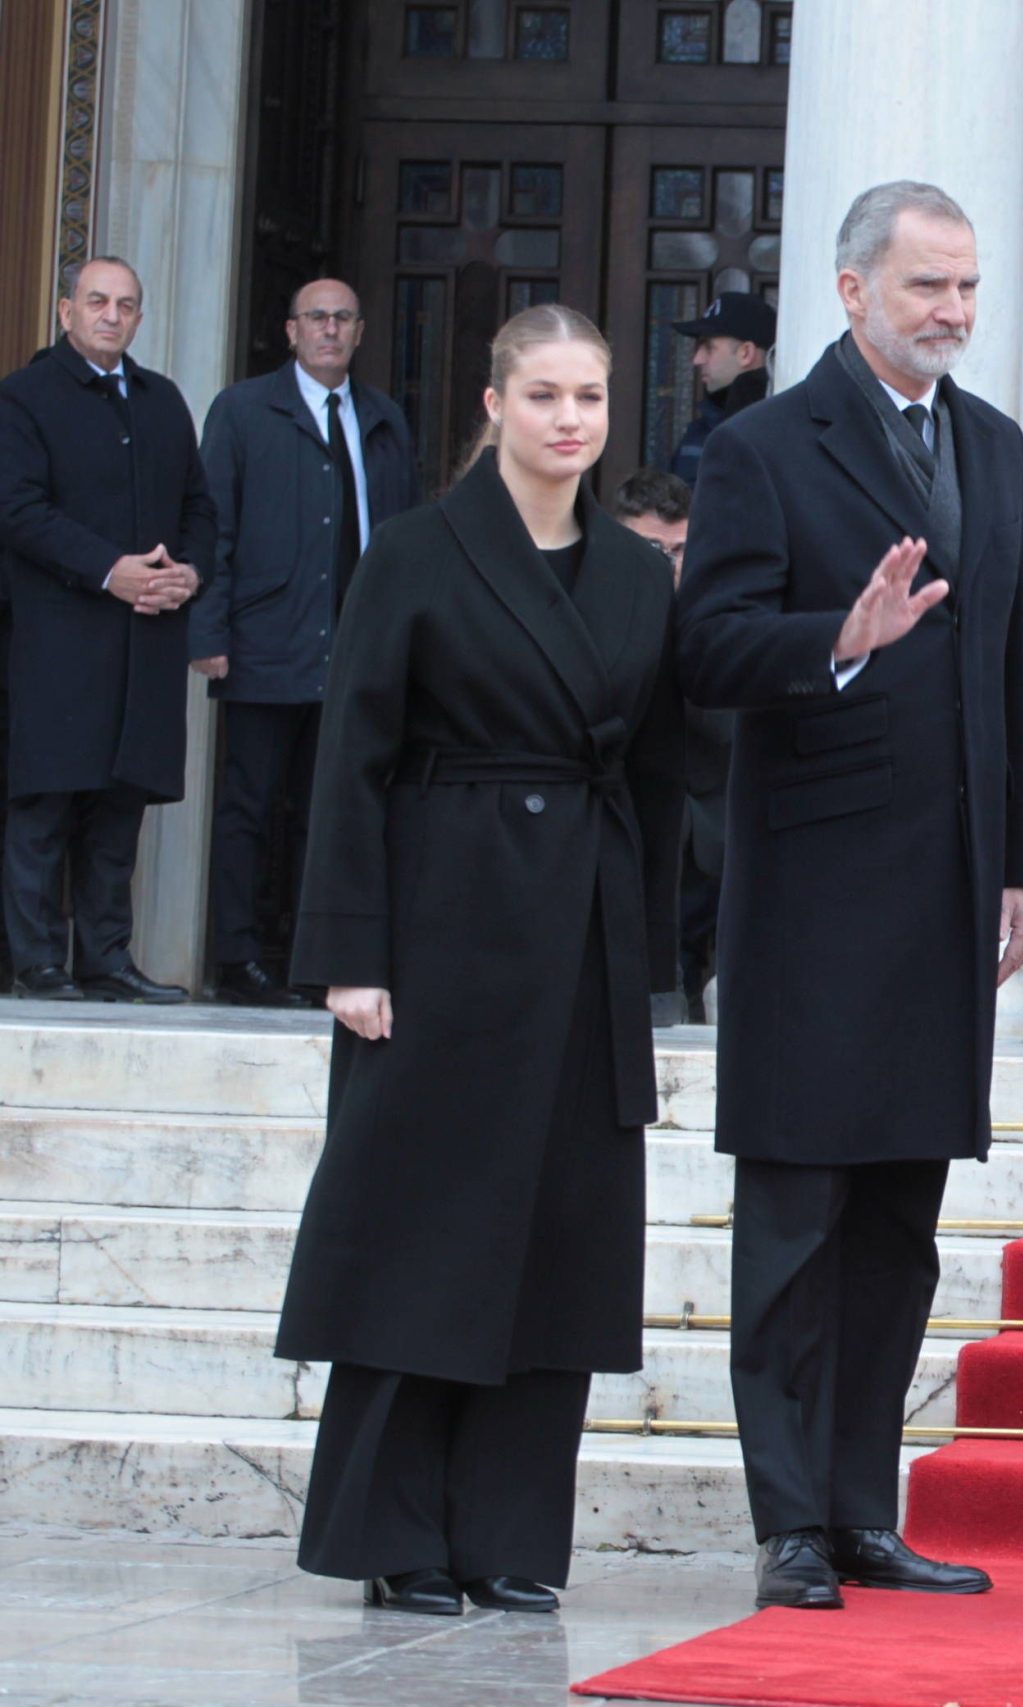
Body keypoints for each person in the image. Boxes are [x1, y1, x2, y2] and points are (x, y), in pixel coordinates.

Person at [677, 180, 1023, 1612]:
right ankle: (787, 1521)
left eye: (967, 288)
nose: (954, 313)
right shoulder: (763, 449)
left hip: (950, 892)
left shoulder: (998, 447)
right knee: (796, 1225)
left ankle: (860, 1509)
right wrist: (831, 639)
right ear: (849, 291)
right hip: (815, 898)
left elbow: (1006, 658)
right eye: (927, 289)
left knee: (898, 1224)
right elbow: (706, 646)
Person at [274, 304, 683, 1617]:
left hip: (579, 939)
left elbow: (664, 772)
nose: (572, 419)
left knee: (558, 1241)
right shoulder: (415, 552)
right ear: (495, 406)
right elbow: (355, 759)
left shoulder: (632, 573)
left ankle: (514, 1535)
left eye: (594, 398)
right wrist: (351, 952)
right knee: (421, 1236)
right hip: (440, 928)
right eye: (547, 395)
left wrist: (651, 955)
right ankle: (401, 1534)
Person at [190, 278, 419, 1007]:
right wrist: (209, 627)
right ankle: (237, 958)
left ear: (359, 332)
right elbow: (213, 525)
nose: (329, 330)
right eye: (316, 318)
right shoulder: (243, 410)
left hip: (355, 649)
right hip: (264, 638)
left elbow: (404, 539)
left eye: (343, 318)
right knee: (249, 805)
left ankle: (311, 956)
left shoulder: (382, 418)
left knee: (332, 808)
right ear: (290, 331)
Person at [0, 257, 212, 1002]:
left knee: (118, 814)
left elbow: (198, 506)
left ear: (140, 319)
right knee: (45, 807)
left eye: (126, 305)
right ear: (65, 311)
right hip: (59, 641)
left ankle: (106, 959)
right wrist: (107, 569)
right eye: (97, 301)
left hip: (144, 642)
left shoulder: (161, 401)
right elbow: (18, 510)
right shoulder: (23, 397)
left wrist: (189, 572)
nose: (111, 315)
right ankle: (38, 963)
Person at [611, 467, 725, 1025]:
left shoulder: (721, 618)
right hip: (631, 842)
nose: (668, 564)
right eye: (651, 548)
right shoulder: (596, 617)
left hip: (715, 844)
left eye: (680, 550)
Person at [665, 291, 774, 486]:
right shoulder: (702, 428)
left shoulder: (777, 427)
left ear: (745, 353)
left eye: (708, 347)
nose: (697, 360)